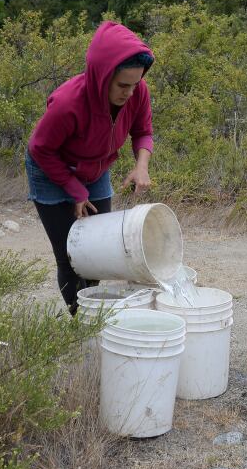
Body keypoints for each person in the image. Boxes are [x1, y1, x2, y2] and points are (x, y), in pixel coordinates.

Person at [25, 21, 155, 314]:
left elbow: (143, 130)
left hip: (95, 169)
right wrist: (74, 190)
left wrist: (141, 165)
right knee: (70, 255)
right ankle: (80, 321)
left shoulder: (138, 91)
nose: (130, 92)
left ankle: (91, 316)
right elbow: (40, 149)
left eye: (136, 84)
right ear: (102, 77)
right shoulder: (68, 103)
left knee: (95, 251)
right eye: (123, 85)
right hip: (49, 170)